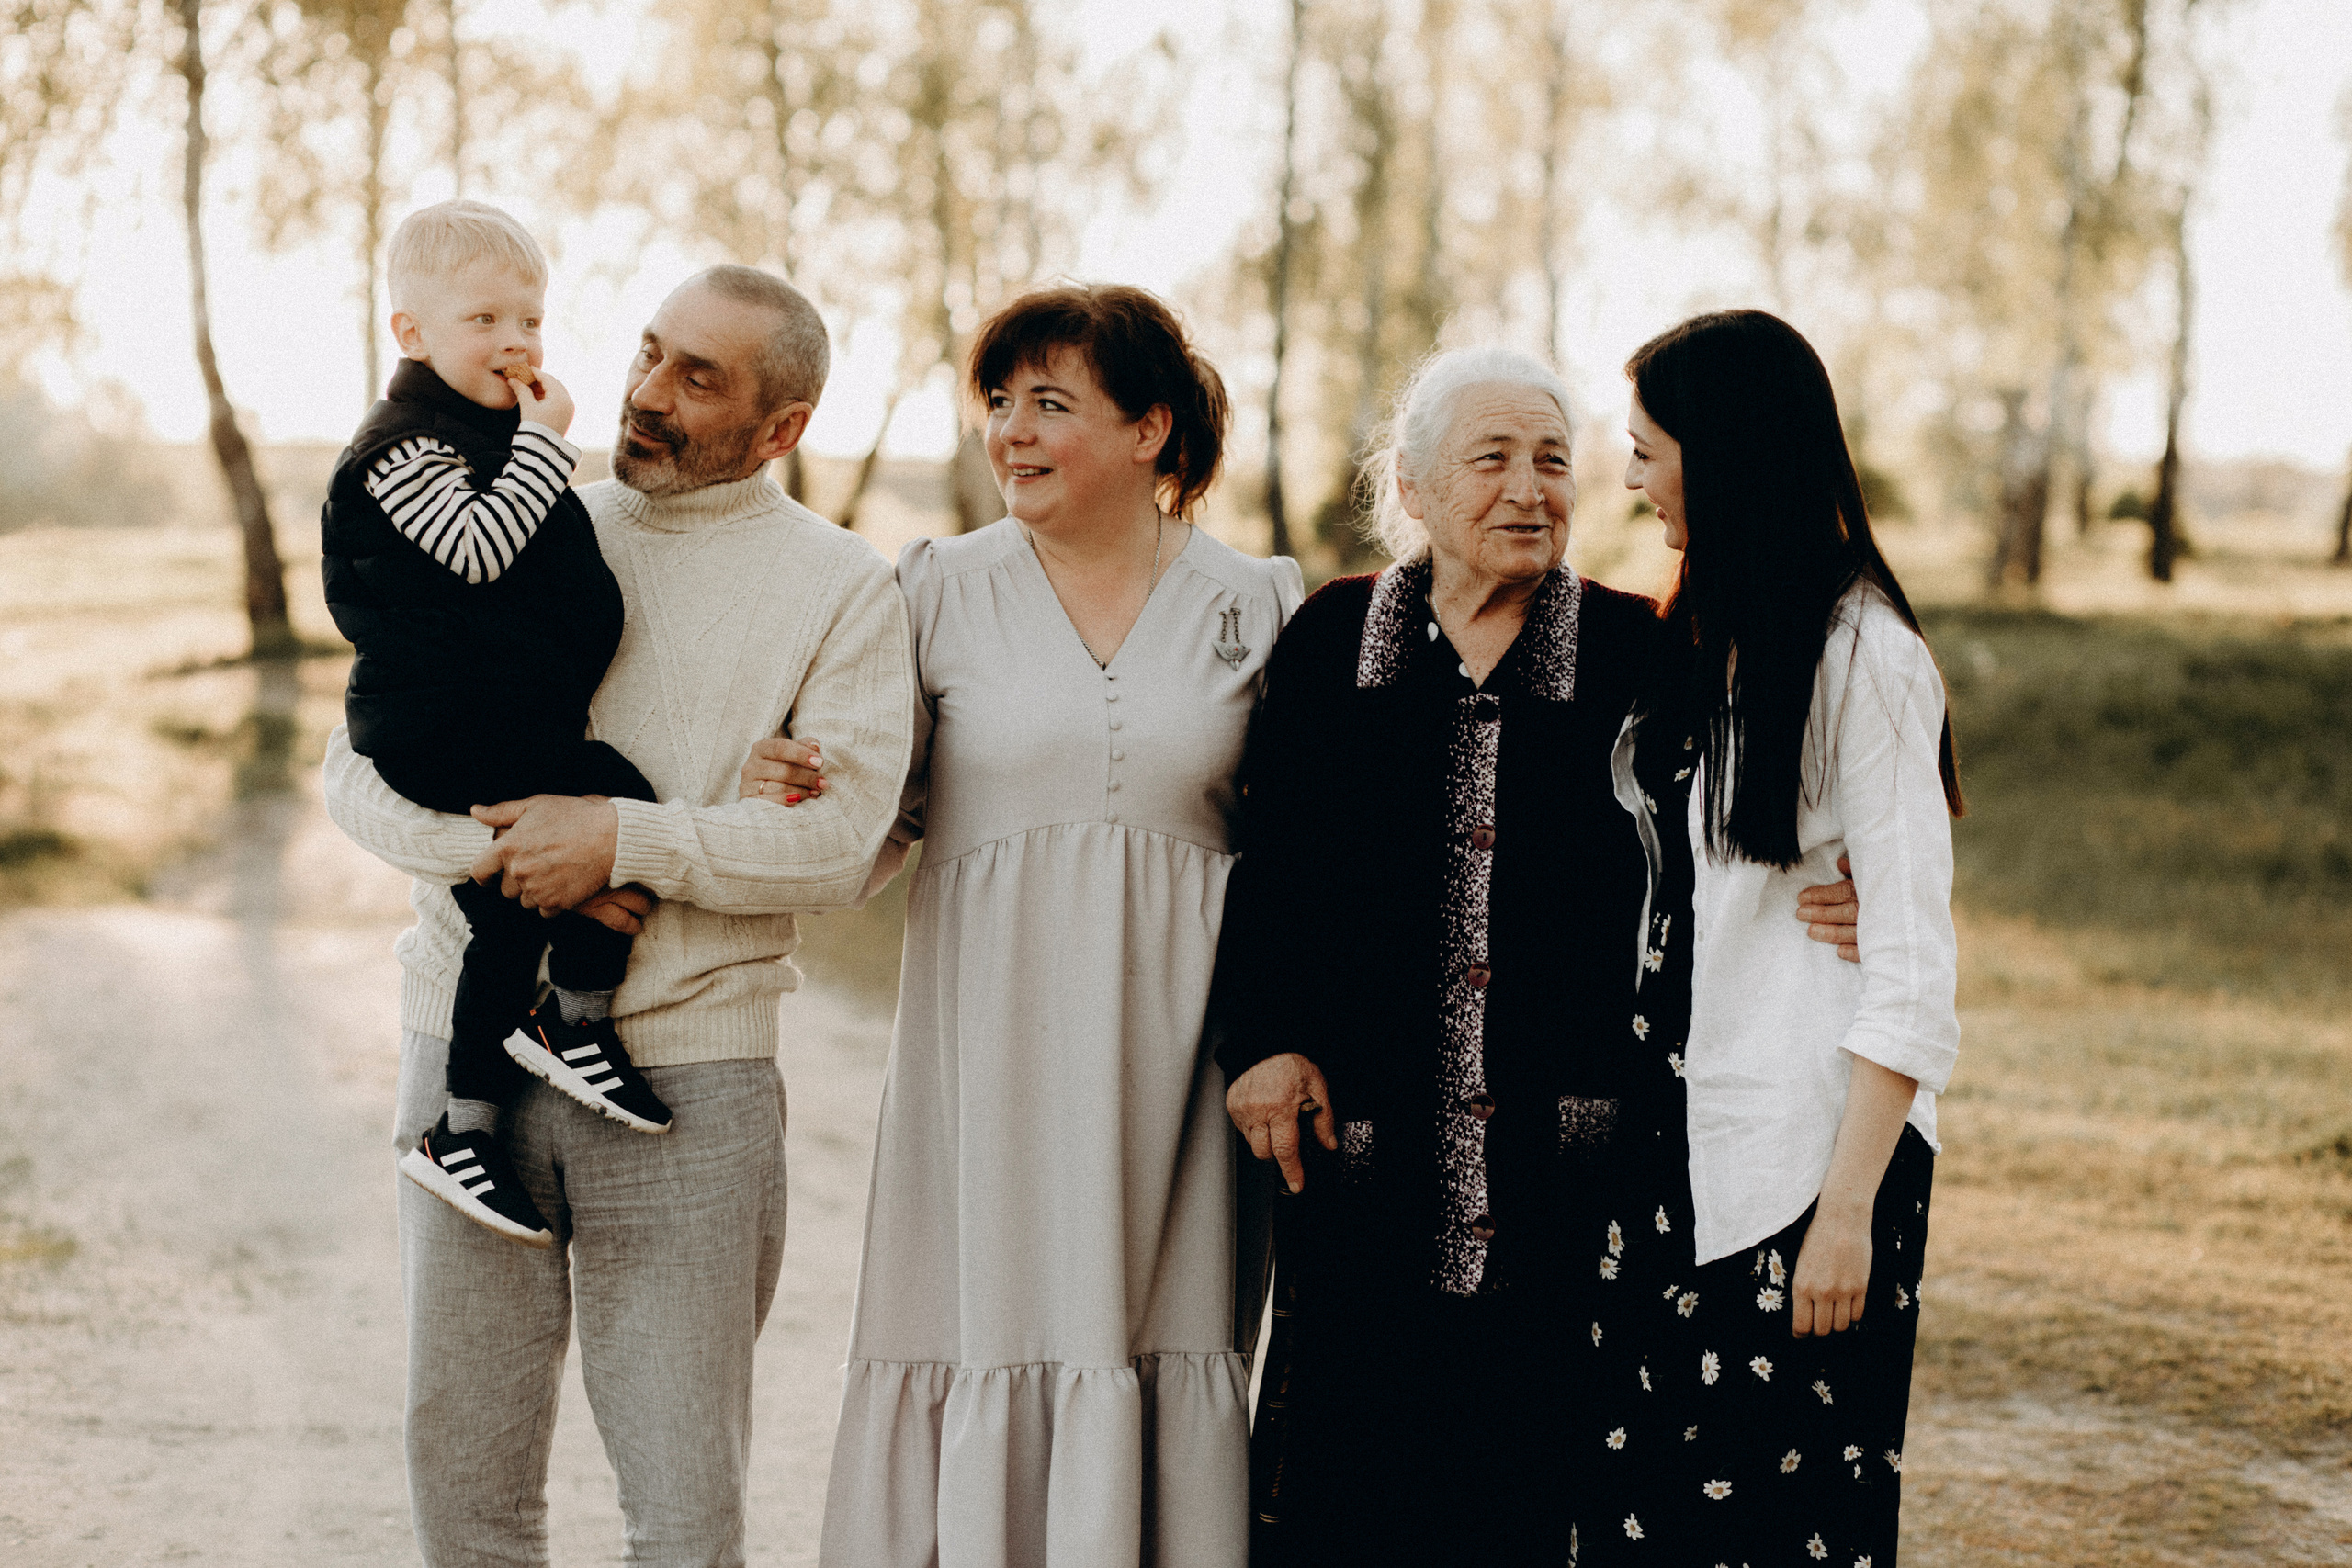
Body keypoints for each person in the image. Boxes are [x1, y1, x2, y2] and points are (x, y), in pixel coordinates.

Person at [1208, 345, 1865, 1567]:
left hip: (1570, 1162)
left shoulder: (1642, 654)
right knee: (1341, 1484)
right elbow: (1271, 863)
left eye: (1554, 460)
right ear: (1412, 485)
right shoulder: (1333, 639)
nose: (1529, 488)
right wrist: (1265, 1040)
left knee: (1532, 1489)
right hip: (1364, 1147)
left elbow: (1747, 835)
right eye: (1493, 458)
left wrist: (1852, 882)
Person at [321, 263, 917, 1566]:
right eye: (649, 353)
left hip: (688, 1080)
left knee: (683, 1502)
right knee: (466, 1481)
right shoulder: (520, 511)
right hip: (458, 1052)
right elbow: (352, 766)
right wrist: (504, 853)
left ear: (783, 429)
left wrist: (624, 837)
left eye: (698, 378)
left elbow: (838, 836)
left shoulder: (843, 586)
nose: (646, 395)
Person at [744, 283, 1300, 1567]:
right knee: (977, 1316)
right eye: (999, 402)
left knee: (1162, 1326)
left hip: (1180, 1068)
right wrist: (799, 792)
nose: (1011, 431)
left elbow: (1306, 852)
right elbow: (872, 836)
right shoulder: (936, 589)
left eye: (1050, 402)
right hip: (987, 1051)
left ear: (1153, 429)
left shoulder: (1257, 603)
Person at [1575, 309, 1962, 1567]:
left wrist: (1846, 1208)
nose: (1629, 479)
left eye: (1648, 450)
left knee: (1779, 1529)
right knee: (1643, 1512)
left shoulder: (1867, 657)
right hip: (1670, 1141)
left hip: (1804, 1162)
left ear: (1727, 450)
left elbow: (1913, 963)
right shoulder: (1705, 636)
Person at [322, 199, 676, 1251]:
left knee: (543, 881)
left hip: (488, 714)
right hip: (435, 721)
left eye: (530, 320)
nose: (516, 342)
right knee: (582, 835)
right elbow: (474, 548)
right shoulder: (398, 450)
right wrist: (544, 443)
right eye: (483, 320)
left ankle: (499, 1089)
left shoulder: (475, 434)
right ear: (412, 333)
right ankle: (541, 1047)